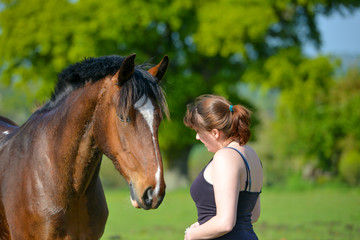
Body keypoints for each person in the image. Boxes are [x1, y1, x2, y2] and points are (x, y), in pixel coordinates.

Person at [183, 94, 263, 240]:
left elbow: (225, 224)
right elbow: (253, 214)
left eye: (199, 132)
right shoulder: (251, 154)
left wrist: (191, 235)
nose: (197, 137)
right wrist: (204, 226)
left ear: (214, 133)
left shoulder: (224, 157)